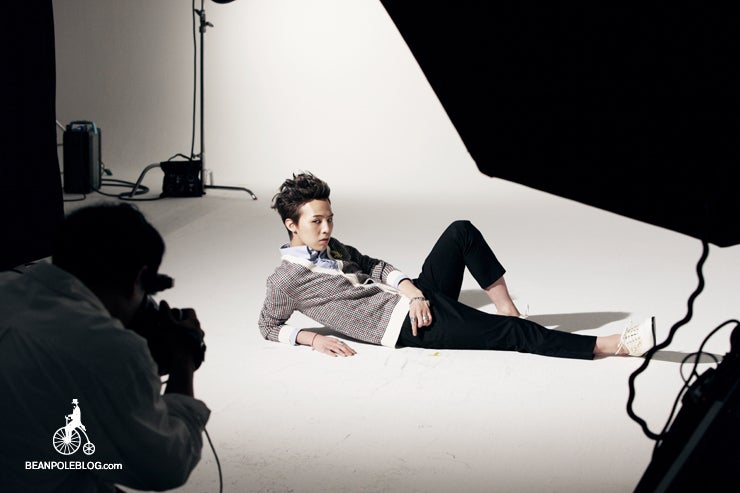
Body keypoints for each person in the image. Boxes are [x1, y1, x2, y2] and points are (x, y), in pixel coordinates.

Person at [258, 172, 656, 359]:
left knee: (460, 231)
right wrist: (313, 339)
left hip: (415, 300)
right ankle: (611, 345)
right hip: (406, 326)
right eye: (317, 222)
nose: (327, 228)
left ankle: (507, 308)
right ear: (292, 225)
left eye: (330, 219)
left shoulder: (333, 246)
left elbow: (373, 266)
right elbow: (268, 325)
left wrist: (413, 291)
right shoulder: (285, 281)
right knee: (511, 336)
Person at [0, 203, 210, 493]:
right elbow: (166, 467)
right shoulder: (110, 347)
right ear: (137, 279)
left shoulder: (7, 285)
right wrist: (183, 358)